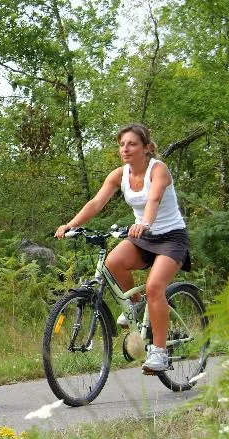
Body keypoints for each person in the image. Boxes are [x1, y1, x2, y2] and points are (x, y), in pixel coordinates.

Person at [54, 123, 191, 374]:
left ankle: (159, 353)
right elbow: (96, 202)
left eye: (132, 144)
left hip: (171, 237)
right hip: (143, 237)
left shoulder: (158, 170)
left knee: (154, 286)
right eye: (122, 145)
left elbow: (154, 199)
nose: (125, 149)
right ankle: (138, 306)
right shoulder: (120, 175)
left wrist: (145, 223)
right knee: (112, 263)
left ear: (146, 148)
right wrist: (71, 224)